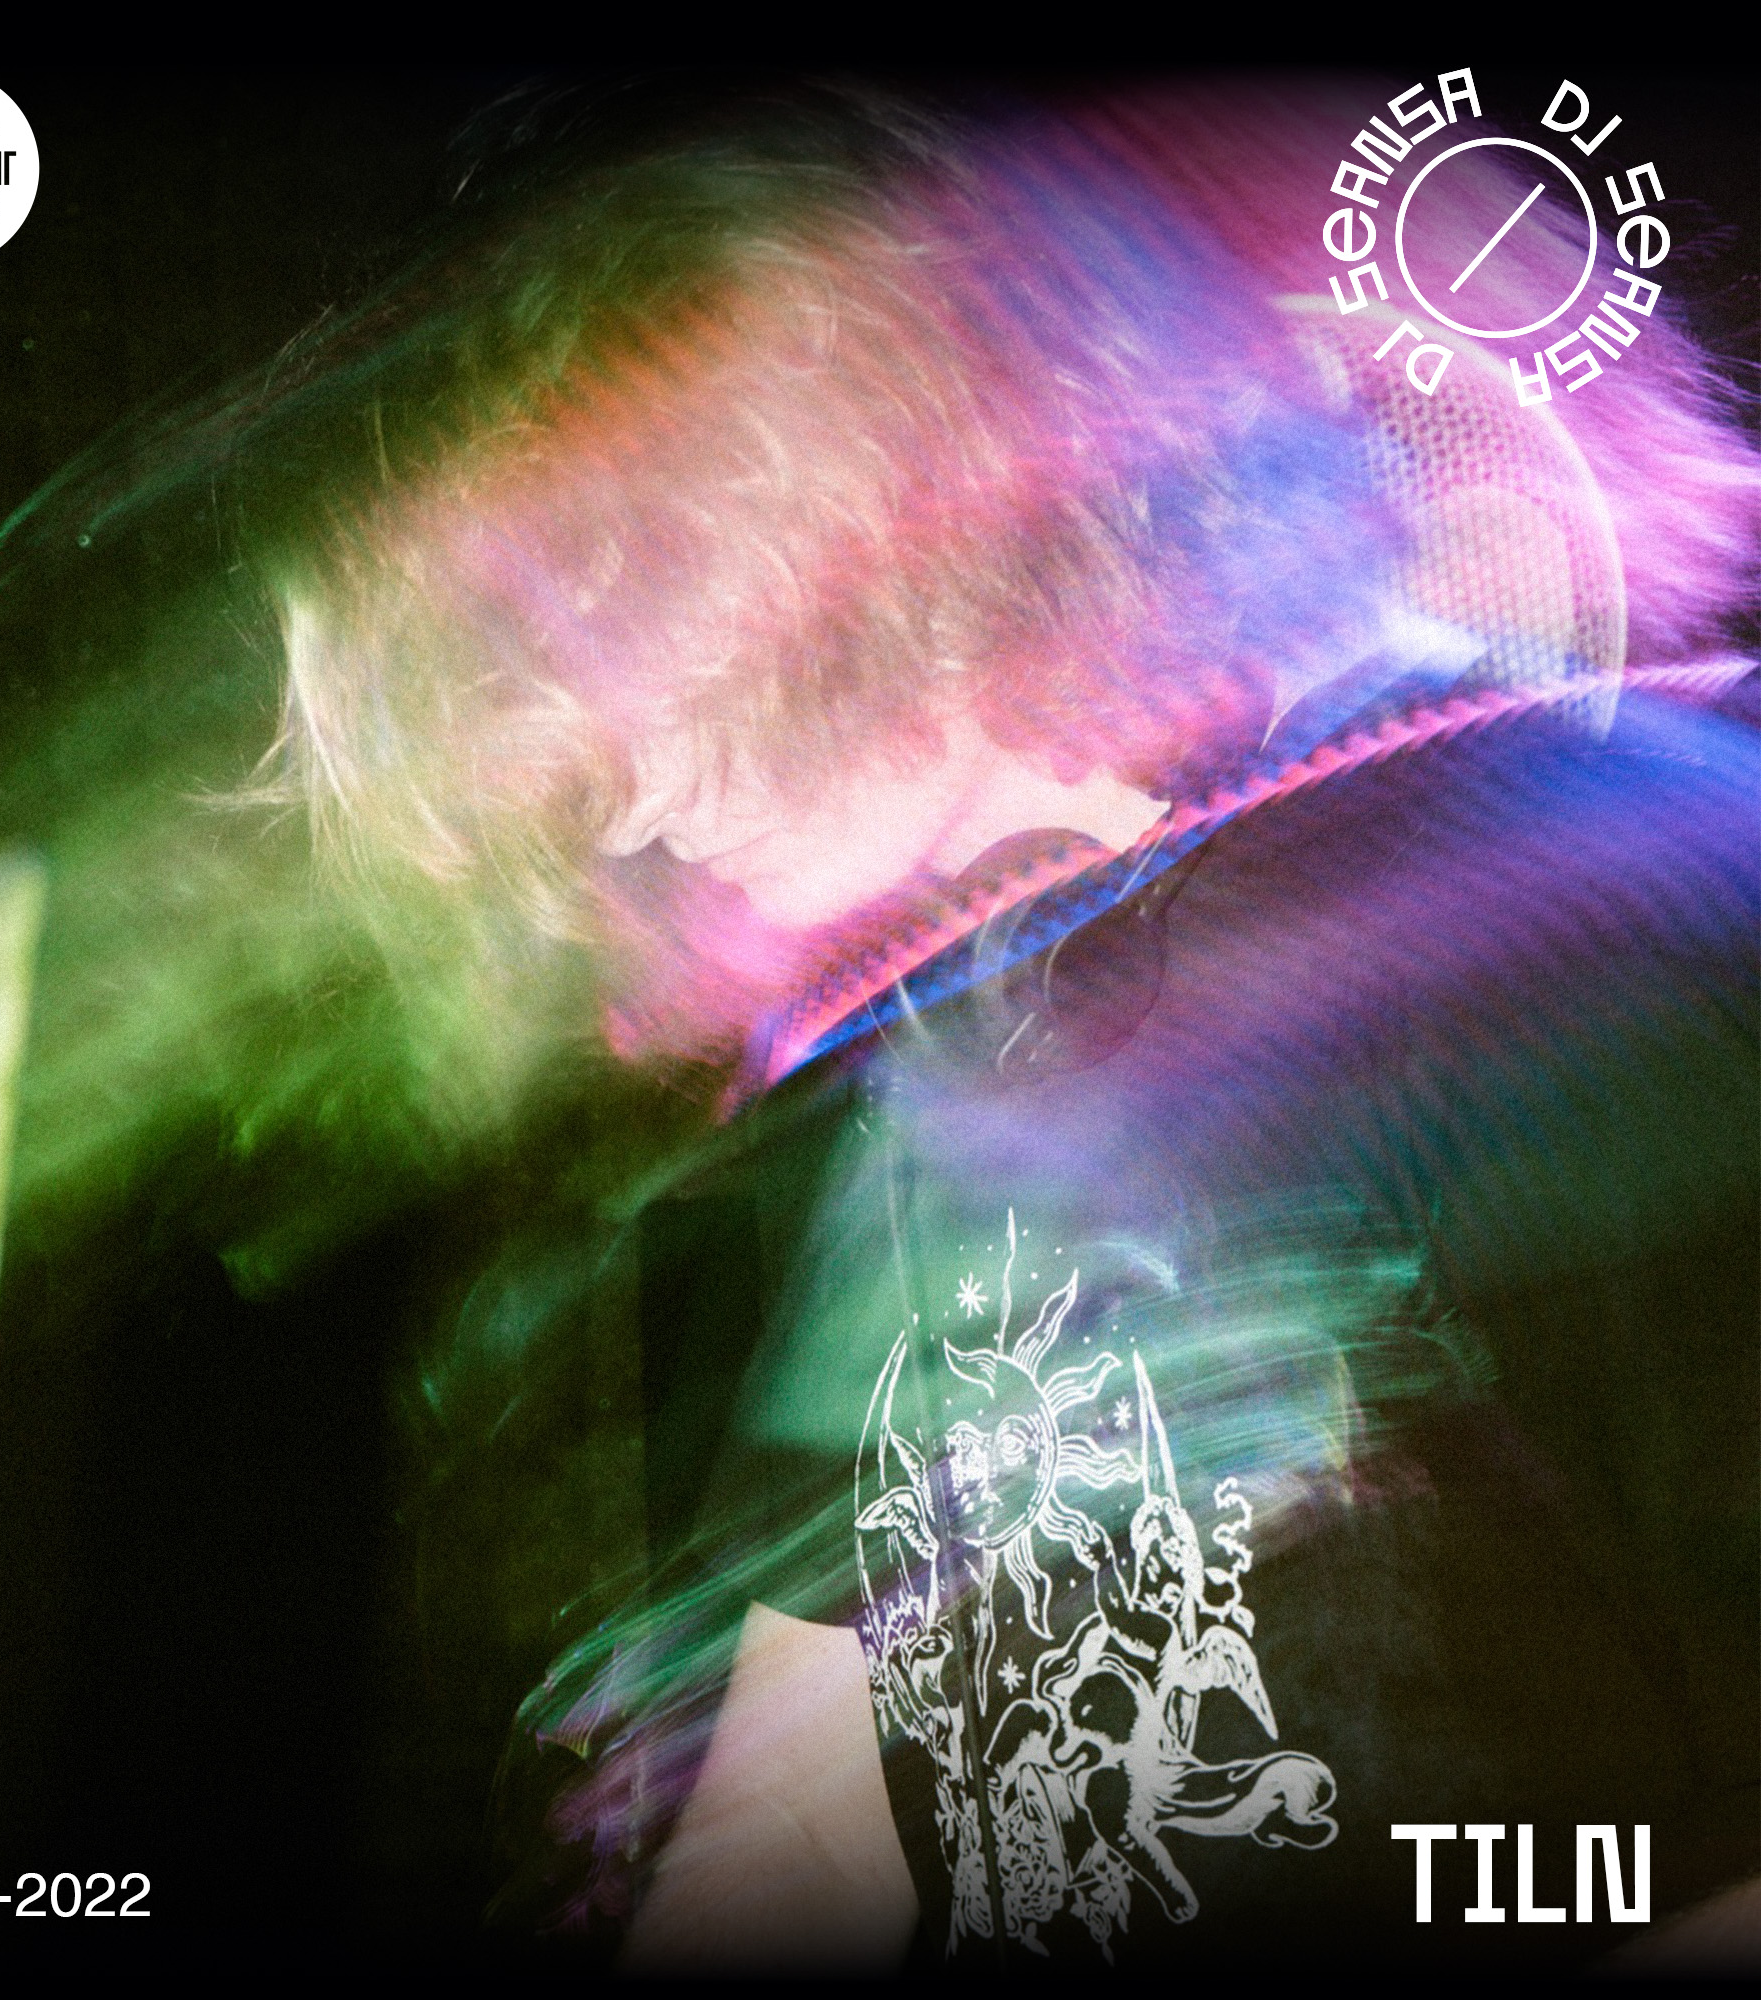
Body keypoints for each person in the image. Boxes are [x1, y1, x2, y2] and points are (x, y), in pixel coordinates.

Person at [246, 81, 1758, 1968]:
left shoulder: (1586, 904)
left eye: (620, 639)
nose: (623, 795)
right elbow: (788, 1836)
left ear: (859, 514)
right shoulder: (949, 1081)